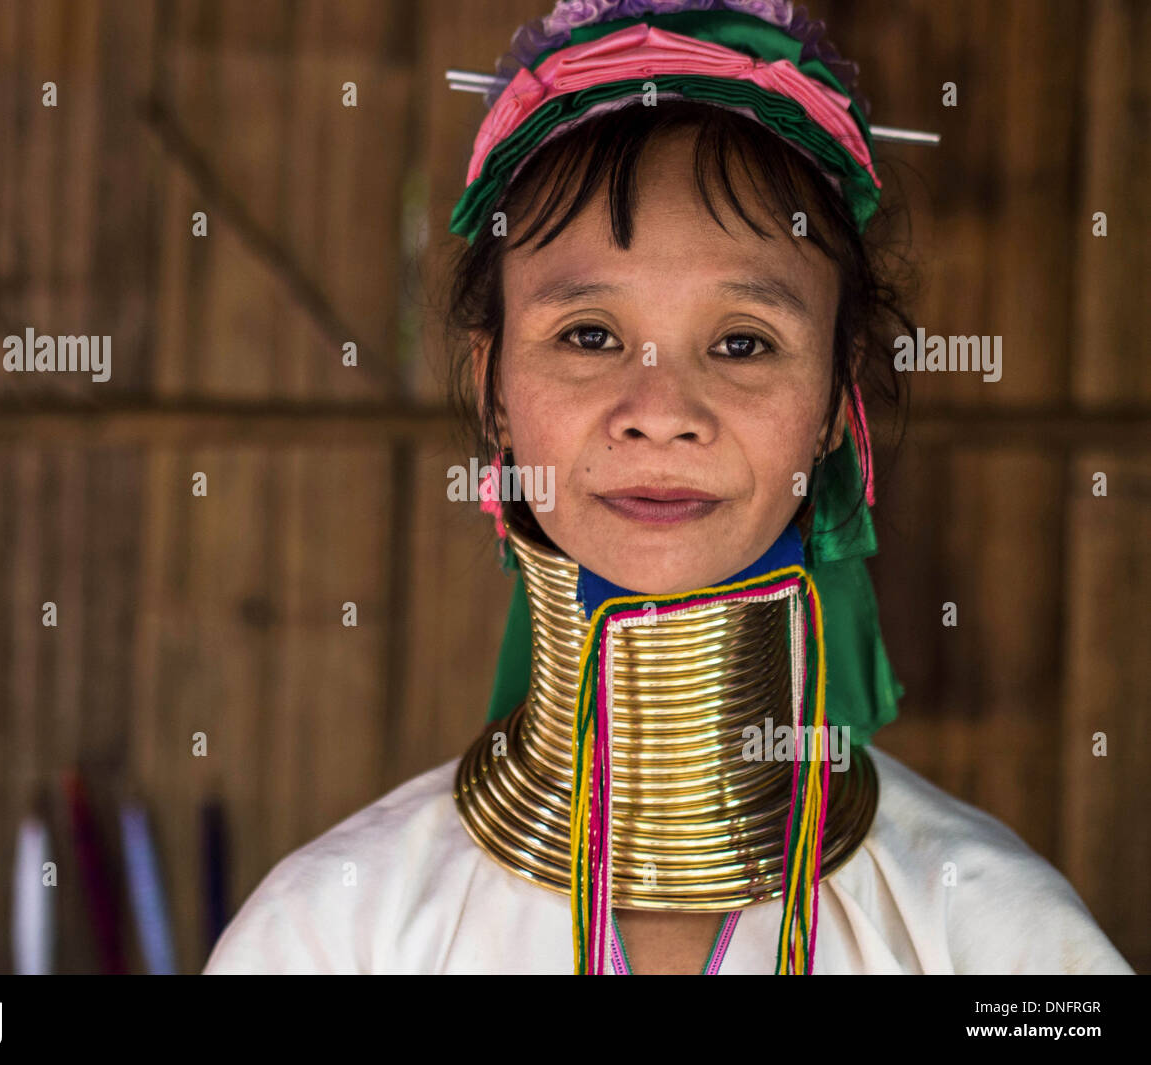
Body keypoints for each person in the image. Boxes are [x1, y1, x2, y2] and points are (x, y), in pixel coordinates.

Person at [203, 0, 1133, 975]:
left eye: (742, 342)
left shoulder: (992, 937)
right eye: (588, 335)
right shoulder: (328, 935)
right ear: (494, 392)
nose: (659, 409)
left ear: (831, 405)